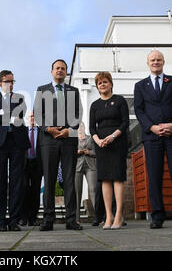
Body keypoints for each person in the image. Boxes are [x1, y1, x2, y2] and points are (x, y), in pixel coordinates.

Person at [134, 51, 172, 229]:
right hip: (152, 137)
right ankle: (157, 216)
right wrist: (152, 127)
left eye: (159, 59)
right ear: (147, 62)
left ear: (164, 62)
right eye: (152, 60)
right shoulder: (140, 85)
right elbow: (139, 109)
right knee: (154, 176)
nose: (156, 62)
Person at [34, 59, 82, 231]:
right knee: (49, 179)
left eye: (63, 68)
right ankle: (48, 219)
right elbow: (38, 114)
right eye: (57, 68)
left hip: (69, 138)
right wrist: (49, 129)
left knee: (69, 179)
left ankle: (71, 220)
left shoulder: (74, 91)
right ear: (52, 71)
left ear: (66, 72)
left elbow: (78, 113)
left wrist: (70, 129)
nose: (60, 70)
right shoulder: (42, 90)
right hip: (48, 140)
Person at [0, 70, 30, 232]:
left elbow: (20, 116)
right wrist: (8, 116)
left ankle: (13, 220)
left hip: (17, 143)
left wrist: (3, 114)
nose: (10, 84)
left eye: (12, 81)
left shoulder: (20, 98)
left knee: (16, 183)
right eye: (7, 81)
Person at [89, 72, 129, 230]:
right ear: (97, 86)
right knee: (105, 179)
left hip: (117, 142)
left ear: (111, 84)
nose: (102, 85)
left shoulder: (119, 100)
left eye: (105, 82)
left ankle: (118, 215)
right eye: (99, 83)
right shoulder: (94, 105)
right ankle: (108, 216)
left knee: (118, 178)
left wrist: (113, 136)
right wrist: (98, 140)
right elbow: (92, 127)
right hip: (102, 146)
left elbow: (125, 122)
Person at [19, 111, 43, 227]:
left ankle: (33, 218)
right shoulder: (23, 131)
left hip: (37, 164)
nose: (32, 118)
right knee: (23, 190)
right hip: (24, 164)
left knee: (35, 191)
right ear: (27, 118)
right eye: (30, 116)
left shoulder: (41, 131)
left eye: (34, 116)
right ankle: (23, 218)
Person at [75, 122, 97, 225]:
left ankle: (98, 216)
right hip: (77, 167)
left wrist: (89, 152)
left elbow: (96, 152)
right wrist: (77, 152)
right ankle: (76, 219)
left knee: (93, 189)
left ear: (84, 128)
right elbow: (69, 154)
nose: (80, 128)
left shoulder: (91, 138)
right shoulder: (73, 139)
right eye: (78, 127)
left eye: (82, 126)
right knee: (77, 192)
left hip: (90, 166)